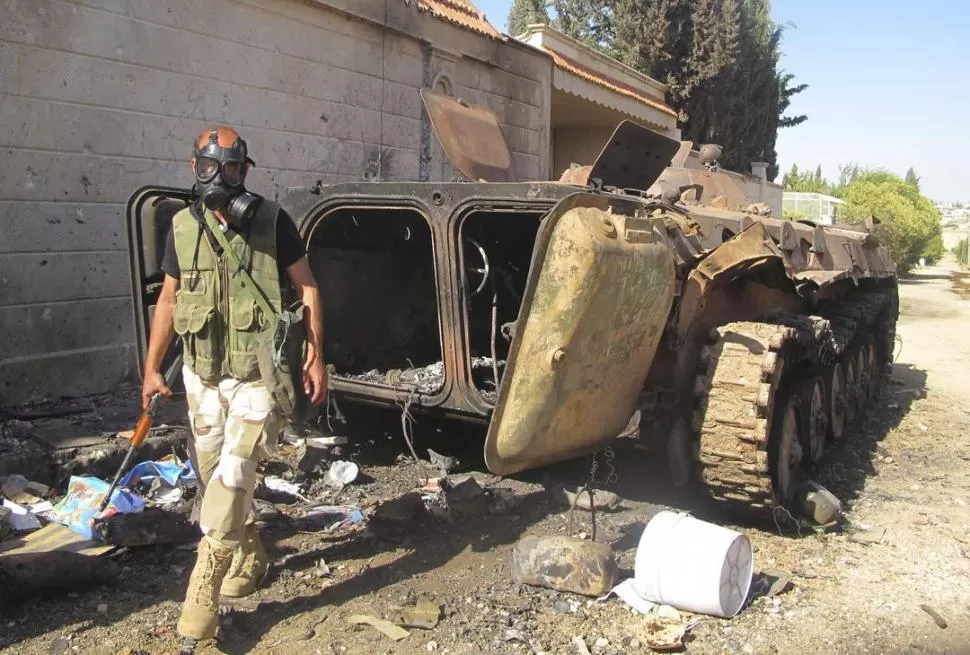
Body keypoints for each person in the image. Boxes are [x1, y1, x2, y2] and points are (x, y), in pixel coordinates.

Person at [140, 126, 327, 645]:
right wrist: (153, 368)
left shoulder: (272, 222)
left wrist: (315, 355)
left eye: (233, 169)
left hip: (256, 378)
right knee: (212, 476)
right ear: (194, 167)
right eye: (210, 168)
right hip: (201, 376)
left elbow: (307, 286)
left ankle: (201, 599)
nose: (221, 179)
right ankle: (249, 551)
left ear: (245, 171)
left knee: (235, 472)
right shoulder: (181, 226)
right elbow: (169, 301)